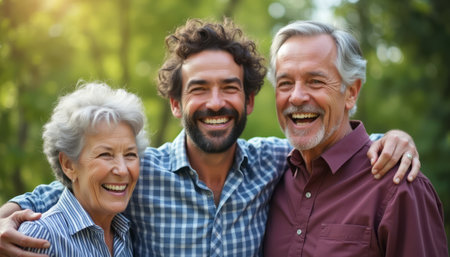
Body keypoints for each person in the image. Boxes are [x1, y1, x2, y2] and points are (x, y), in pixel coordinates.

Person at [0, 19, 420, 257]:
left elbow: (330, 141)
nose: (215, 103)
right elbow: (73, 186)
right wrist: (11, 211)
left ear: (250, 100)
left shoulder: (277, 163)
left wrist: (391, 138)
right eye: (199, 89)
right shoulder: (139, 173)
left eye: (230, 88)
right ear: (177, 105)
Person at [263, 21, 448, 256]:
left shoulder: (399, 188)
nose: (296, 97)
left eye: (315, 81)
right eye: (285, 83)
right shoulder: (270, 182)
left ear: (351, 92)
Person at [17, 82, 149, 256]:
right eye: (105, 154)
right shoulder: (40, 237)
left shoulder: (124, 235)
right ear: (69, 165)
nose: (123, 170)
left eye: (130, 154)